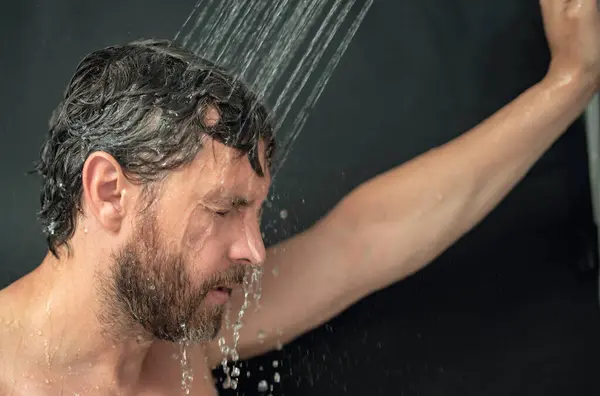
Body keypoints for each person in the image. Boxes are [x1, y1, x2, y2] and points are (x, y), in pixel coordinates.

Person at [1, 0, 599, 394]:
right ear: (110, 192)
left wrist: (571, 82)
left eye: (255, 212)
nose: (257, 251)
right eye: (224, 209)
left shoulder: (175, 343)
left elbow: (360, 239)